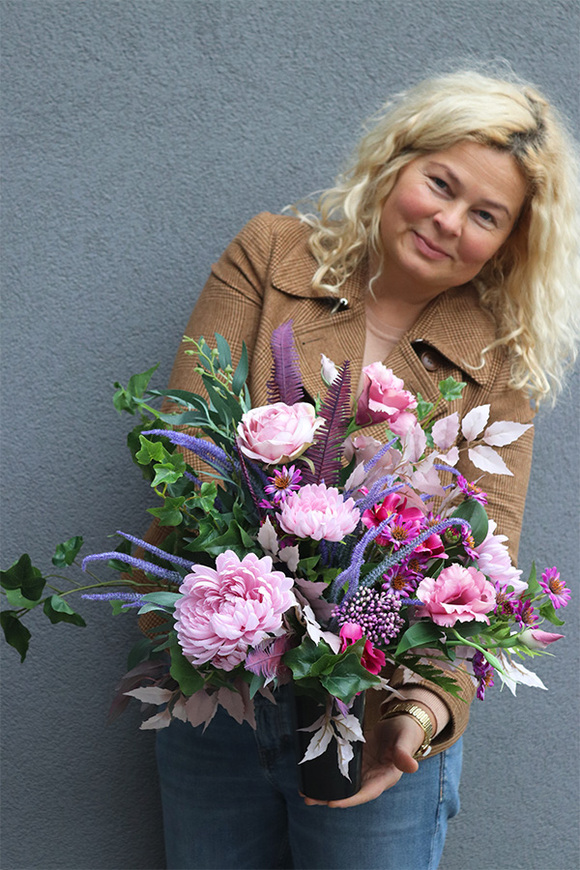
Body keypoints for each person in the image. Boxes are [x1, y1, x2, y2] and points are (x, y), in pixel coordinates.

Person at [149, 69, 579, 869]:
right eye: (439, 184)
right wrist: (274, 602)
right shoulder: (271, 253)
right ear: (395, 162)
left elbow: (484, 566)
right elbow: (184, 451)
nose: (449, 222)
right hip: (218, 688)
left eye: (485, 215)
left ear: (511, 242)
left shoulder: (496, 364)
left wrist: (421, 712)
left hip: (379, 716)